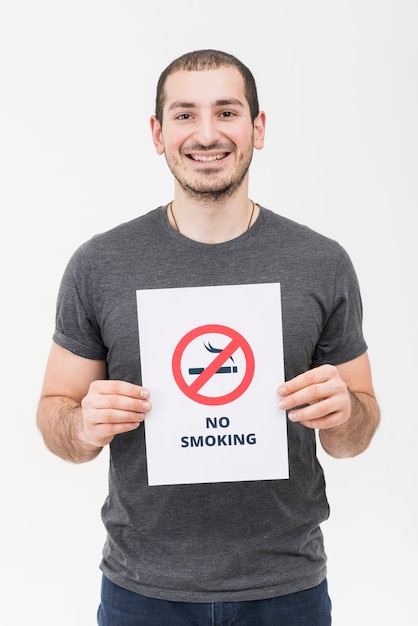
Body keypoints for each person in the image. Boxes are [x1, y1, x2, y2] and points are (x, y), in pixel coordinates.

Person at [37, 49, 380, 626]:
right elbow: (56, 419)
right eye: (184, 114)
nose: (206, 134)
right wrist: (82, 423)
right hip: (142, 589)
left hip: (287, 586)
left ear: (258, 128)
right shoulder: (100, 264)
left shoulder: (321, 263)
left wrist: (345, 414)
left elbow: (356, 433)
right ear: (158, 132)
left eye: (226, 112)